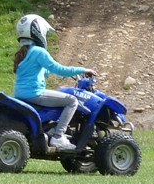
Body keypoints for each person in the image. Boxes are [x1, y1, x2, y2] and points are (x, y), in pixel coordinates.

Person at [12, 14, 96, 152]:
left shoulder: (22, 53)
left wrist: (47, 71)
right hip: (34, 94)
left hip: (20, 94)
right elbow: (59, 69)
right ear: (37, 31)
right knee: (72, 101)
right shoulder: (39, 52)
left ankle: (52, 129)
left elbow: (37, 71)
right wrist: (83, 69)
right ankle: (58, 136)